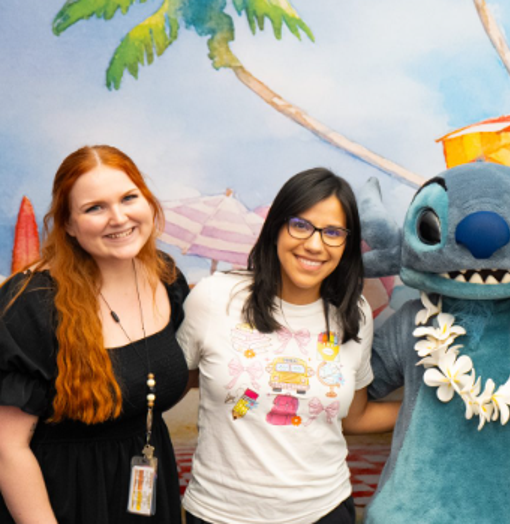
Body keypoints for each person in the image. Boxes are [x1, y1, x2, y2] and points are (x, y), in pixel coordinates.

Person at [177, 168, 399, 524]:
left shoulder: (354, 312)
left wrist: (431, 410)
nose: (314, 244)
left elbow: (354, 417)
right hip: (219, 514)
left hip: (322, 512)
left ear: (347, 243)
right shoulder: (215, 297)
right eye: (300, 225)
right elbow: (176, 382)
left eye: (333, 232)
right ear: (276, 228)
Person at [0, 145, 189, 523]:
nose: (118, 218)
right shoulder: (32, 305)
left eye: (129, 198)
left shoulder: (165, 276)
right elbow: (7, 449)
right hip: (67, 498)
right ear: (68, 224)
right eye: (94, 208)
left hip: (148, 487)